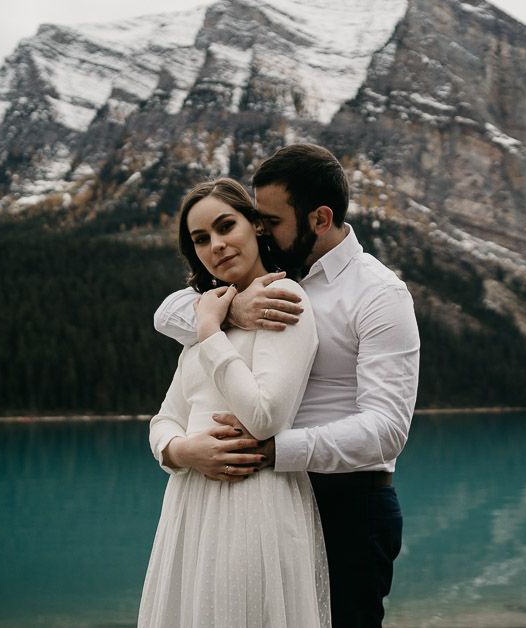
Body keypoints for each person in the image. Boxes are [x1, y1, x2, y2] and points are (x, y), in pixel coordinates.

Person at [153, 144, 421, 627]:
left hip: (349, 504)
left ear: (319, 218)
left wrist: (275, 450)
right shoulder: (269, 272)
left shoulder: (379, 293)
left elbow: (387, 430)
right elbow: (166, 312)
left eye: (271, 221)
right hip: (263, 498)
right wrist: (226, 311)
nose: (260, 230)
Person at [138, 178, 330, 627]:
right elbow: (166, 418)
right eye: (201, 239)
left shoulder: (284, 299)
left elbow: (264, 417)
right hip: (190, 502)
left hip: (253, 506)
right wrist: (182, 450)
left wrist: (210, 332)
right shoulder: (210, 310)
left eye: (227, 227)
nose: (217, 245)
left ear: (257, 226)